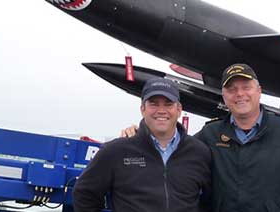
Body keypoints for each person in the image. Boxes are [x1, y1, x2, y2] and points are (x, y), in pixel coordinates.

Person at [121, 64, 280, 212]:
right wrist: (140, 136)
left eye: (246, 87)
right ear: (224, 95)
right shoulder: (209, 135)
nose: (240, 94)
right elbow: (172, 151)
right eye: (232, 89)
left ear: (259, 91)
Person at [74, 78, 211, 212]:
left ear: (179, 109)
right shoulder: (115, 151)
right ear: (142, 109)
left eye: (168, 104)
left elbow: (211, 200)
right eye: (154, 104)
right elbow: (85, 194)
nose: (161, 110)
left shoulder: (199, 152)